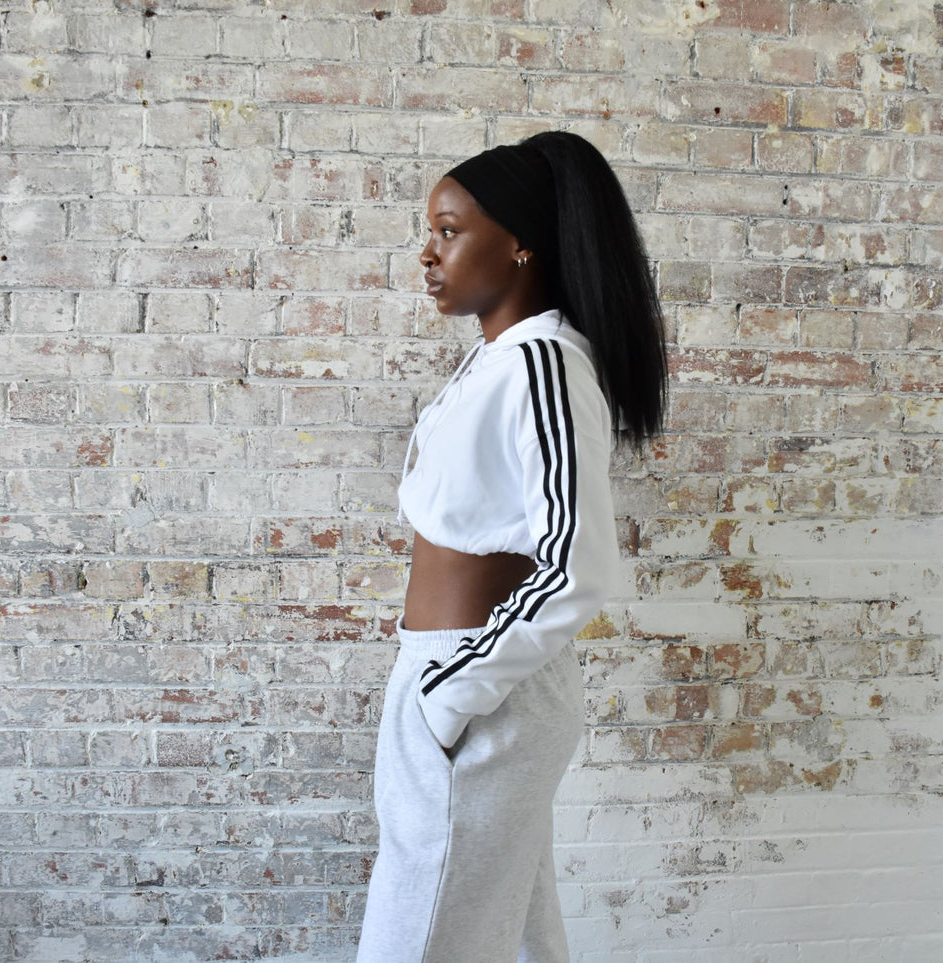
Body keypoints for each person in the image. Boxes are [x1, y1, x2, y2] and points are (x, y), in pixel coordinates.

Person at [356, 131, 669, 963]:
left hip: (477, 688)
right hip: (452, 677)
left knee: (418, 943)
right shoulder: (497, 361)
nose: (427, 252)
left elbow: (576, 564)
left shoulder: (542, 365)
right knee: (511, 940)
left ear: (521, 243)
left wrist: (450, 692)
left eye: (449, 230)